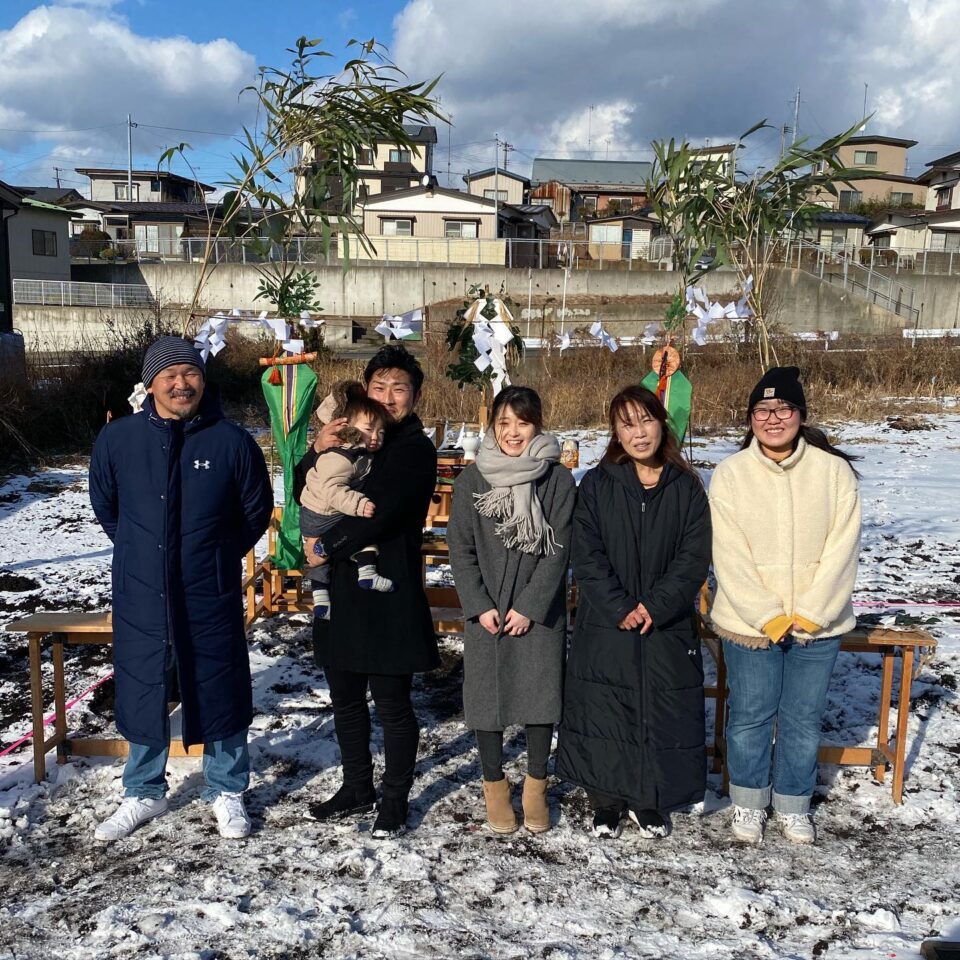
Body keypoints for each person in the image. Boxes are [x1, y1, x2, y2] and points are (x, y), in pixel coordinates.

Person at [88, 335, 273, 842]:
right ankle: (142, 789)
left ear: (203, 379)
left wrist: (215, 551)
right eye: (168, 374)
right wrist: (141, 550)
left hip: (206, 587)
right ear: (150, 384)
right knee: (144, 680)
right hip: (142, 588)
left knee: (219, 680)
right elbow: (107, 507)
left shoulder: (231, 441)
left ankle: (227, 787)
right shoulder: (119, 439)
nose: (180, 383)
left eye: (189, 372)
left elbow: (255, 510)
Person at [709, 366, 861, 845]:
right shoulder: (731, 474)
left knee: (802, 717)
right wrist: (767, 613)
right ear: (750, 418)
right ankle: (749, 802)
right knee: (751, 715)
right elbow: (728, 553)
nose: (772, 418)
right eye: (762, 410)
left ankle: (794, 804)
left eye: (783, 409)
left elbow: (843, 547)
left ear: (800, 414)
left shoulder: (832, 472)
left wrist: (815, 610)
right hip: (750, 623)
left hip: (819, 622)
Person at [294, 343, 438, 838]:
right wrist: (317, 448)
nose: (389, 396)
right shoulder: (351, 437)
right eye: (380, 387)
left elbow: (383, 509)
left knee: (393, 703)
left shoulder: (414, 449)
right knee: (346, 698)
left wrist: (324, 546)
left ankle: (395, 797)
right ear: (366, 391)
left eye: (400, 388)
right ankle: (357, 786)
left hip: (388, 584)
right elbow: (304, 489)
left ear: (415, 395)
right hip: (342, 587)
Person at [556, 385, 711, 840]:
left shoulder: (685, 486)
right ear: (615, 433)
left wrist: (656, 605)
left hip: (666, 624)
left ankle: (649, 798)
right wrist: (620, 605)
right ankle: (605, 798)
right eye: (627, 424)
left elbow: (693, 556)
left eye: (645, 420)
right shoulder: (598, 484)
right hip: (608, 621)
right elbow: (586, 554)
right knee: (607, 708)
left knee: (658, 709)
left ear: (661, 423)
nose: (638, 433)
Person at [447, 386, 576, 835]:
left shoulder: (557, 480)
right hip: (488, 612)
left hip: (538, 611)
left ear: (537, 424)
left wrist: (530, 607)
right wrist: (479, 606)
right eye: (504, 423)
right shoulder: (471, 480)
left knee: (541, 699)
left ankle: (536, 786)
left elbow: (558, 549)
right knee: (488, 700)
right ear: (492, 427)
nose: (513, 432)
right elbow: (460, 549)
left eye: (522, 422)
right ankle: (494, 786)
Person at [300, 380, 393, 621]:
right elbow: (331, 489)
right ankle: (365, 572)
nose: (376, 437)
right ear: (348, 427)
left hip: (322, 514)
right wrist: (358, 503)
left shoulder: (359, 453)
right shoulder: (341, 456)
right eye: (369, 429)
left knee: (320, 561)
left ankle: (323, 599)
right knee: (359, 534)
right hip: (321, 514)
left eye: (381, 432)